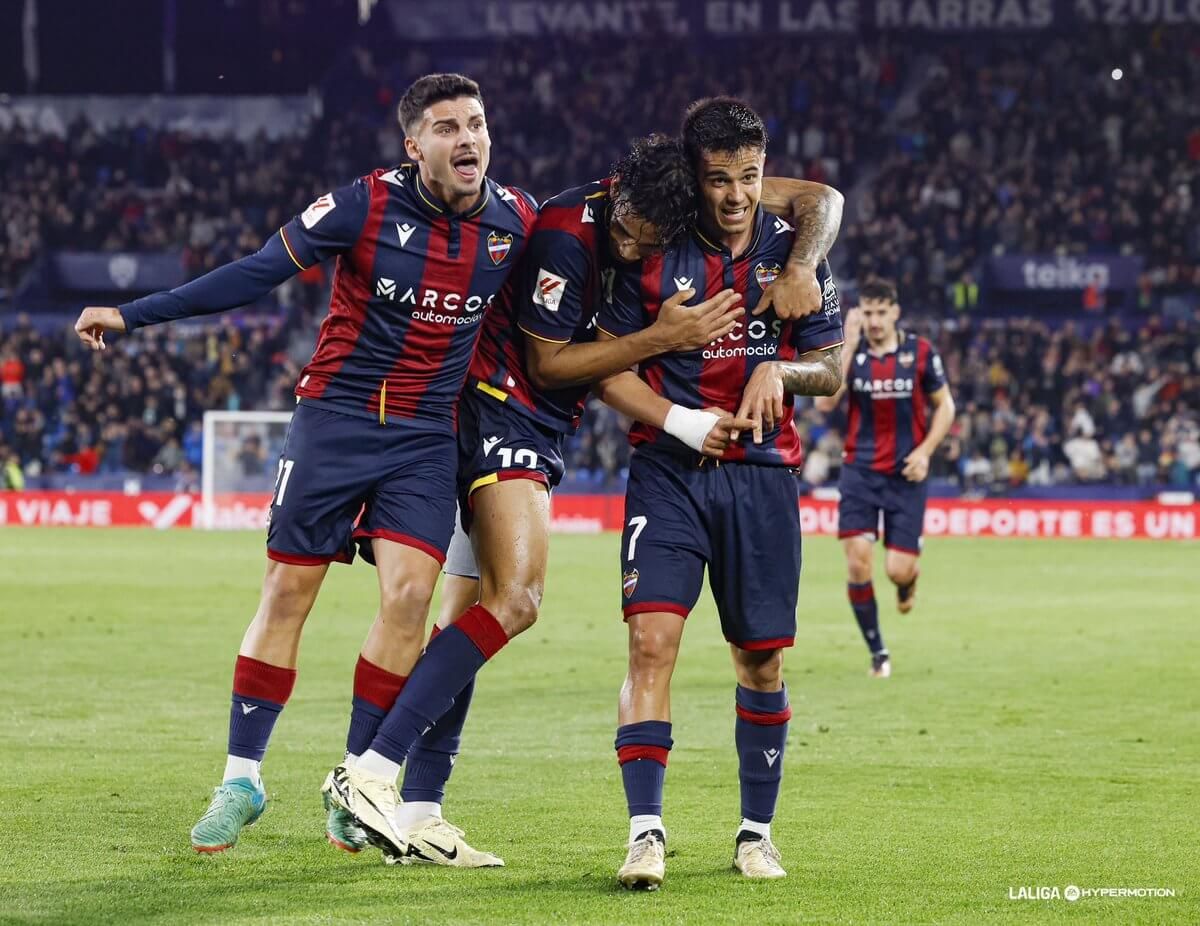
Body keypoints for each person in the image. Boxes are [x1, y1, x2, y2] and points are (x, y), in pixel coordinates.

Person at [323, 132, 847, 866]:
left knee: (467, 613)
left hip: (546, 425)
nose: (632, 250)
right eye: (628, 233)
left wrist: (798, 266)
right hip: (502, 406)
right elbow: (550, 363)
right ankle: (370, 768)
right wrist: (663, 343)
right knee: (517, 601)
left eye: (649, 239)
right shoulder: (568, 236)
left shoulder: (706, 199)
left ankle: (419, 808)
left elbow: (817, 199)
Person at [73, 74, 539, 854]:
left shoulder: (515, 220)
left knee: (410, 597)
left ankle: (357, 783)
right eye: (448, 127)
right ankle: (241, 780)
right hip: (336, 420)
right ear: (413, 145)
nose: (468, 139)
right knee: (289, 590)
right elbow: (256, 271)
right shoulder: (363, 205)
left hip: (426, 436)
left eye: (477, 123)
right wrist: (133, 314)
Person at [592, 97, 844, 888]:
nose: (736, 195)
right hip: (668, 474)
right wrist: (680, 421)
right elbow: (608, 368)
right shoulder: (654, 249)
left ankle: (756, 836)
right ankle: (645, 834)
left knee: (760, 661)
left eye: (749, 176)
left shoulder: (795, 253)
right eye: (718, 179)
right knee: (649, 644)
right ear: (694, 178)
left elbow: (831, 370)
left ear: (765, 173)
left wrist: (781, 370)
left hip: (763, 477)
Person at [814, 278, 956, 678]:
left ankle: (908, 582)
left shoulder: (920, 352)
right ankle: (878, 652)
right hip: (859, 471)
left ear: (895, 312)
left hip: (905, 473)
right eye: (868, 312)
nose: (874, 320)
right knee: (858, 562)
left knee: (897, 570)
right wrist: (848, 344)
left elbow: (946, 407)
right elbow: (825, 403)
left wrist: (925, 452)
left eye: (881, 312)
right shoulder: (852, 353)